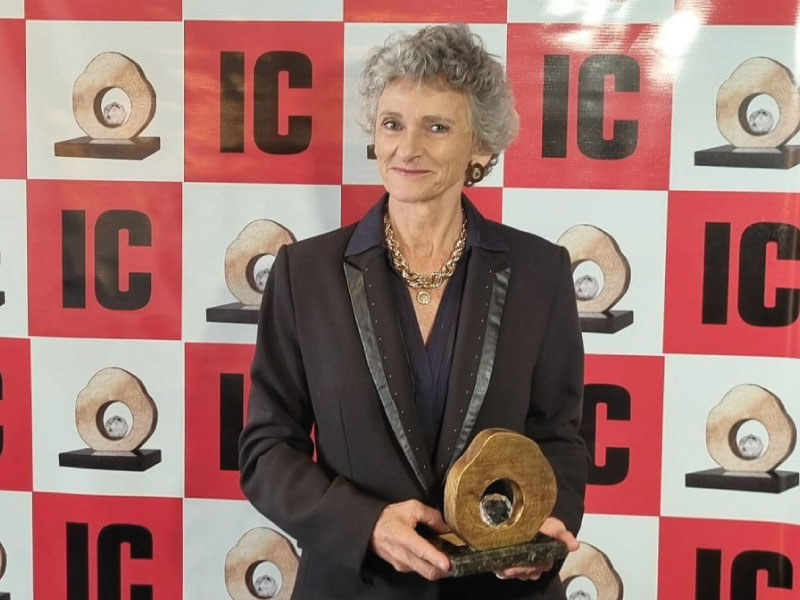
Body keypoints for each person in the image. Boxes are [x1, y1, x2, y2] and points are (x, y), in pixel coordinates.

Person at [239, 23, 587, 600]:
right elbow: (267, 449)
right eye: (393, 124)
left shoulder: (540, 272)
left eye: (437, 127)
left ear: (481, 147)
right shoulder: (305, 273)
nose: (407, 148)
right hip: (356, 586)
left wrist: (542, 531)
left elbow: (559, 438)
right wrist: (366, 526)